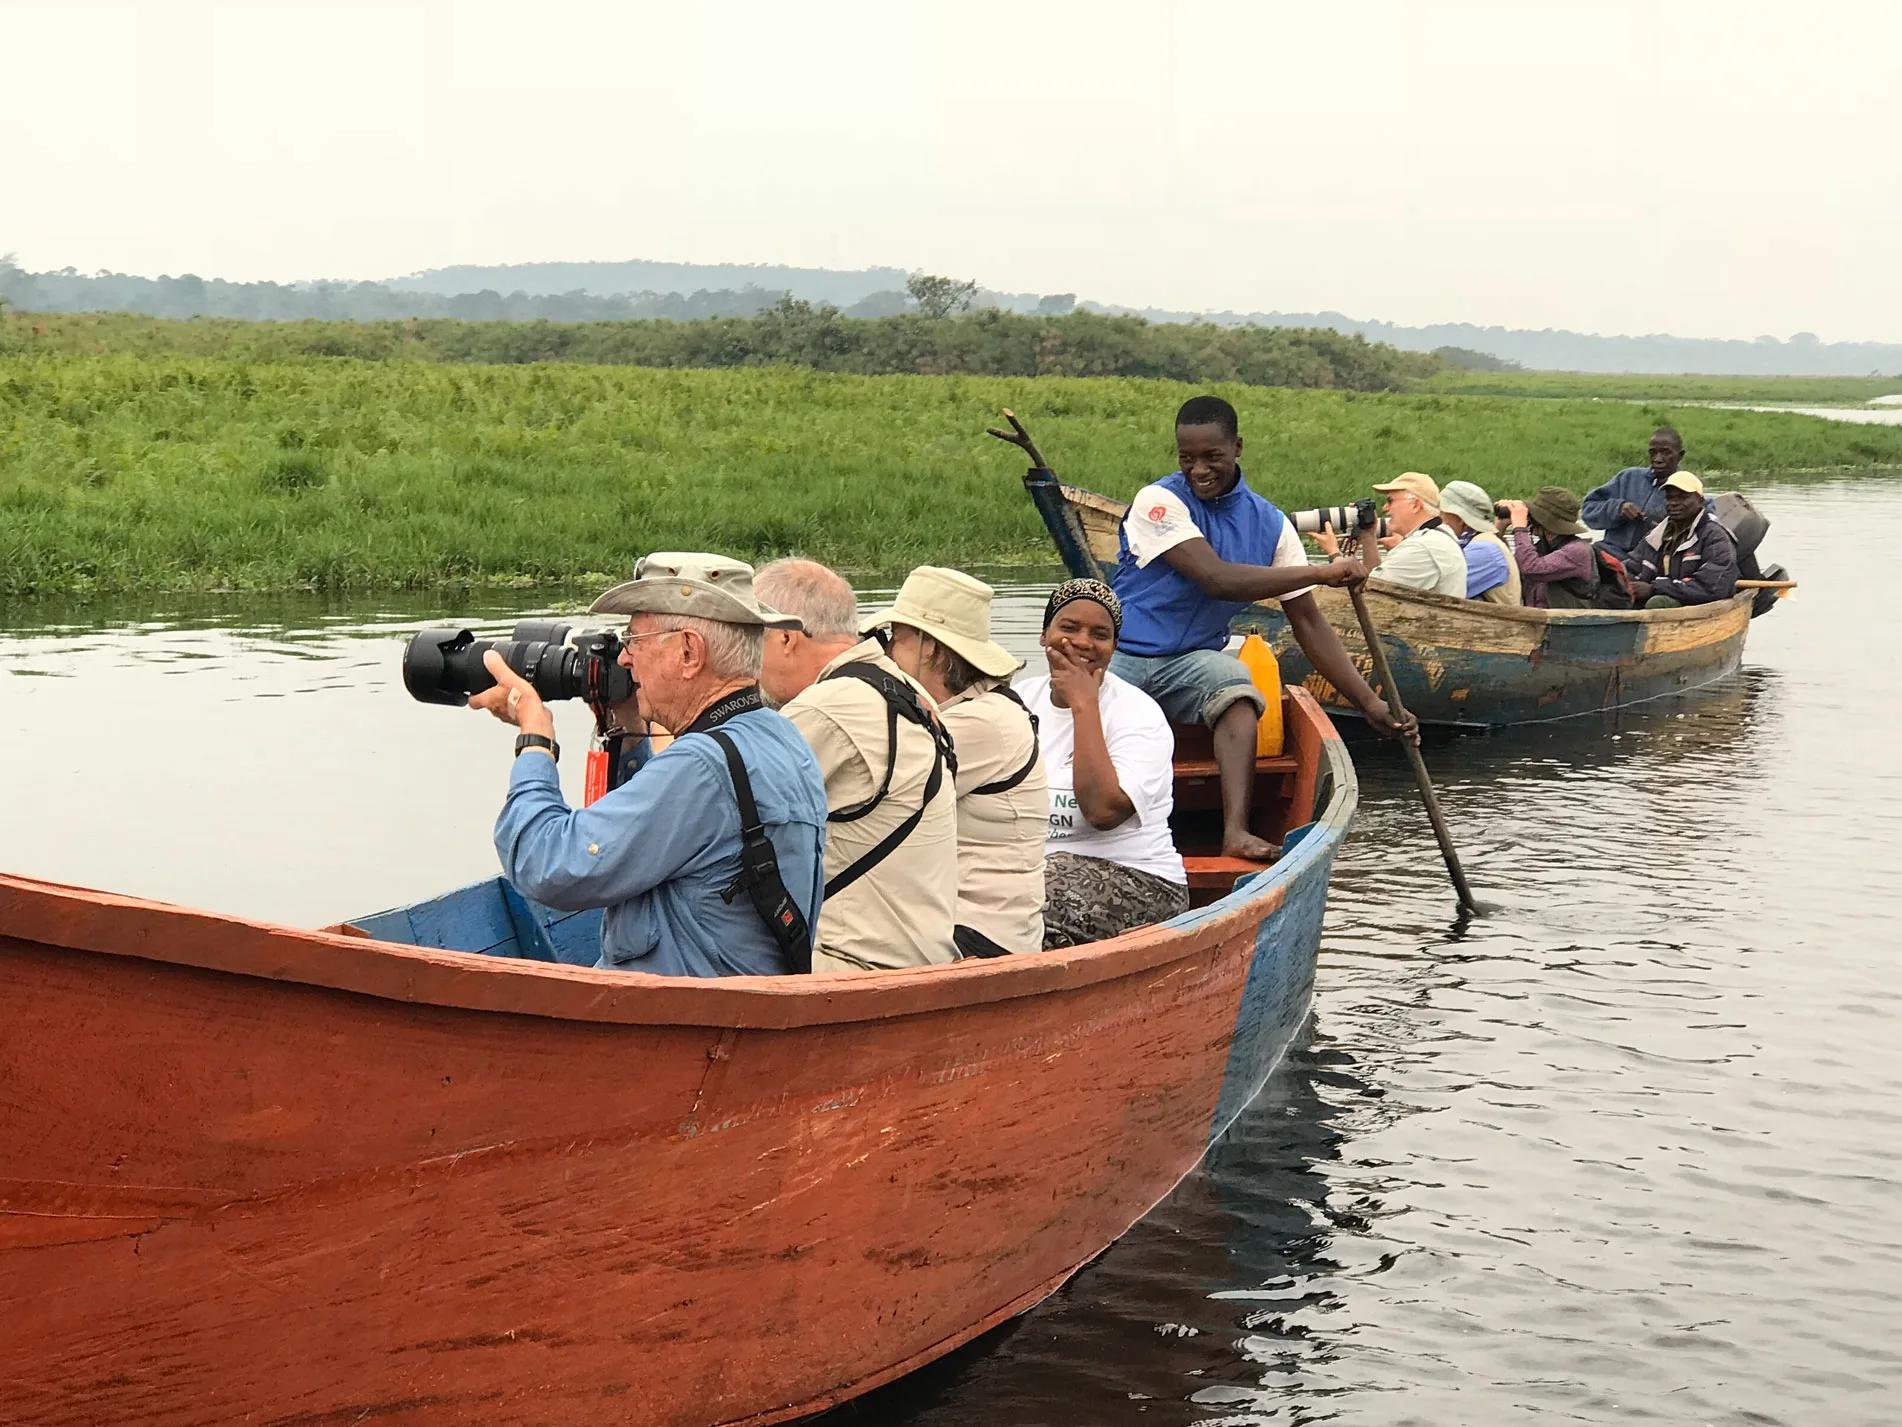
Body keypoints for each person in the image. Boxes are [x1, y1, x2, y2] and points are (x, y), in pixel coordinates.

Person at [998, 394, 1412, 865]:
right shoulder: (1159, 502)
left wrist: (1371, 703)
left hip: (1191, 661)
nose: (1199, 470)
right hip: (1125, 653)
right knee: (1082, 703)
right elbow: (1217, 580)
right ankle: (1056, 825)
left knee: (1237, 688)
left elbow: (1310, 625)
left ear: (1237, 448)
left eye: (1212, 457)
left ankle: (1234, 831)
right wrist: (1322, 571)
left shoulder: (1272, 526)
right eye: (1187, 458)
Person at [473, 552, 826, 978]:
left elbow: (546, 865)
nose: (623, 659)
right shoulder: (780, 738)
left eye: (633, 641)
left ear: (689, 652)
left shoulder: (700, 768)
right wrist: (625, 726)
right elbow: (647, 835)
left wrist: (535, 737)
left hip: (674, 1032)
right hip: (733, 1015)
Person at [754, 558, 959, 973]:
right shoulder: (902, 687)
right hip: (919, 957)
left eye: (751, 638)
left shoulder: (826, 709)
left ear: (786, 638)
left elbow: (704, 818)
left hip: (852, 966)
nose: (747, 662)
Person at [861, 567, 1047, 958]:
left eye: (895, 638)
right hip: (957, 919)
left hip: (979, 931)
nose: (887, 652)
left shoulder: (983, 723)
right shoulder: (974, 709)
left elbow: (871, 787)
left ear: (930, 648)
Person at [1017, 581, 1189, 949]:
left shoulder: (1138, 714)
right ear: (1044, 635)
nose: (1082, 642)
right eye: (1068, 628)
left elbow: (1103, 811)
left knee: (1024, 904)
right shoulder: (1018, 701)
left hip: (1138, 879)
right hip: (1030, 872)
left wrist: (1084, 705)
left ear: (1113, 648)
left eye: (1100, 634)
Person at [1318, 471, 1465, 596]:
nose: (1385, 507)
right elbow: (1375, 583)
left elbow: (1367, 593)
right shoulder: (1438, 537)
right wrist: (1368, 537)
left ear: (1415, 505)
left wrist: (1334, 553)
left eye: (1391, 501)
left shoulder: (1423, 547)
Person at [1624, 472, 1739, 608]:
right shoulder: (1657, 535)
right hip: (1666, 591)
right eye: (1669, 497)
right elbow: (1634, 565)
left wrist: (1653, 589)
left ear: (1700, 501)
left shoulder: (1715, 536)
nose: (1673, 503)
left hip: (1696, 603)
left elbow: (1713, 587)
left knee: (1659, 603)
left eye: (1682, 497)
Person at [1583, 427, 1689, 557]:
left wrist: (1668, 532)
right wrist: (1617, 509)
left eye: (1666, 453)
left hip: (1651, 561)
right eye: (1653, 453)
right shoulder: (1628, 478)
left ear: (1680, 455)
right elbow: (1588, 510)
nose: (1658, 459)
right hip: (1610, 552)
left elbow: (1705, 527)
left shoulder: (1689, 488)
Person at [1504, 487, 1597, 609]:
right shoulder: (1541, 547)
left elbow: (1531, 568)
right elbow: (1506, 567)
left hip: (1568, 625)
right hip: (1539, 622)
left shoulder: (1578, 551)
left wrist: (1520, 528)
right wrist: (1499, 527)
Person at [1440, 479, 1521, 604]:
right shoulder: (1477, 541)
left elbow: (1437, 590)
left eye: (1442, 513)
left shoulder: (1483, 550)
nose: (1438, 518)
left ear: (1461, 519)